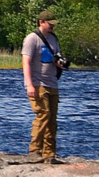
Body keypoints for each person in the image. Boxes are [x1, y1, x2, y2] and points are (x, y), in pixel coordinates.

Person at [22, 10, 67, 164]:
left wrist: (62, 63)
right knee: (43, 114)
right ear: (41, 22)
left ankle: (49, 153)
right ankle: (35, 150)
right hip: (37, 83)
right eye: (50, 23)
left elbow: (56, 59)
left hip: (52, 83)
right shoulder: (31, 39)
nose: (52, 26)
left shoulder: (53, 39)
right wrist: (29, 84)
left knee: (52, 119)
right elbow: (26, 62)